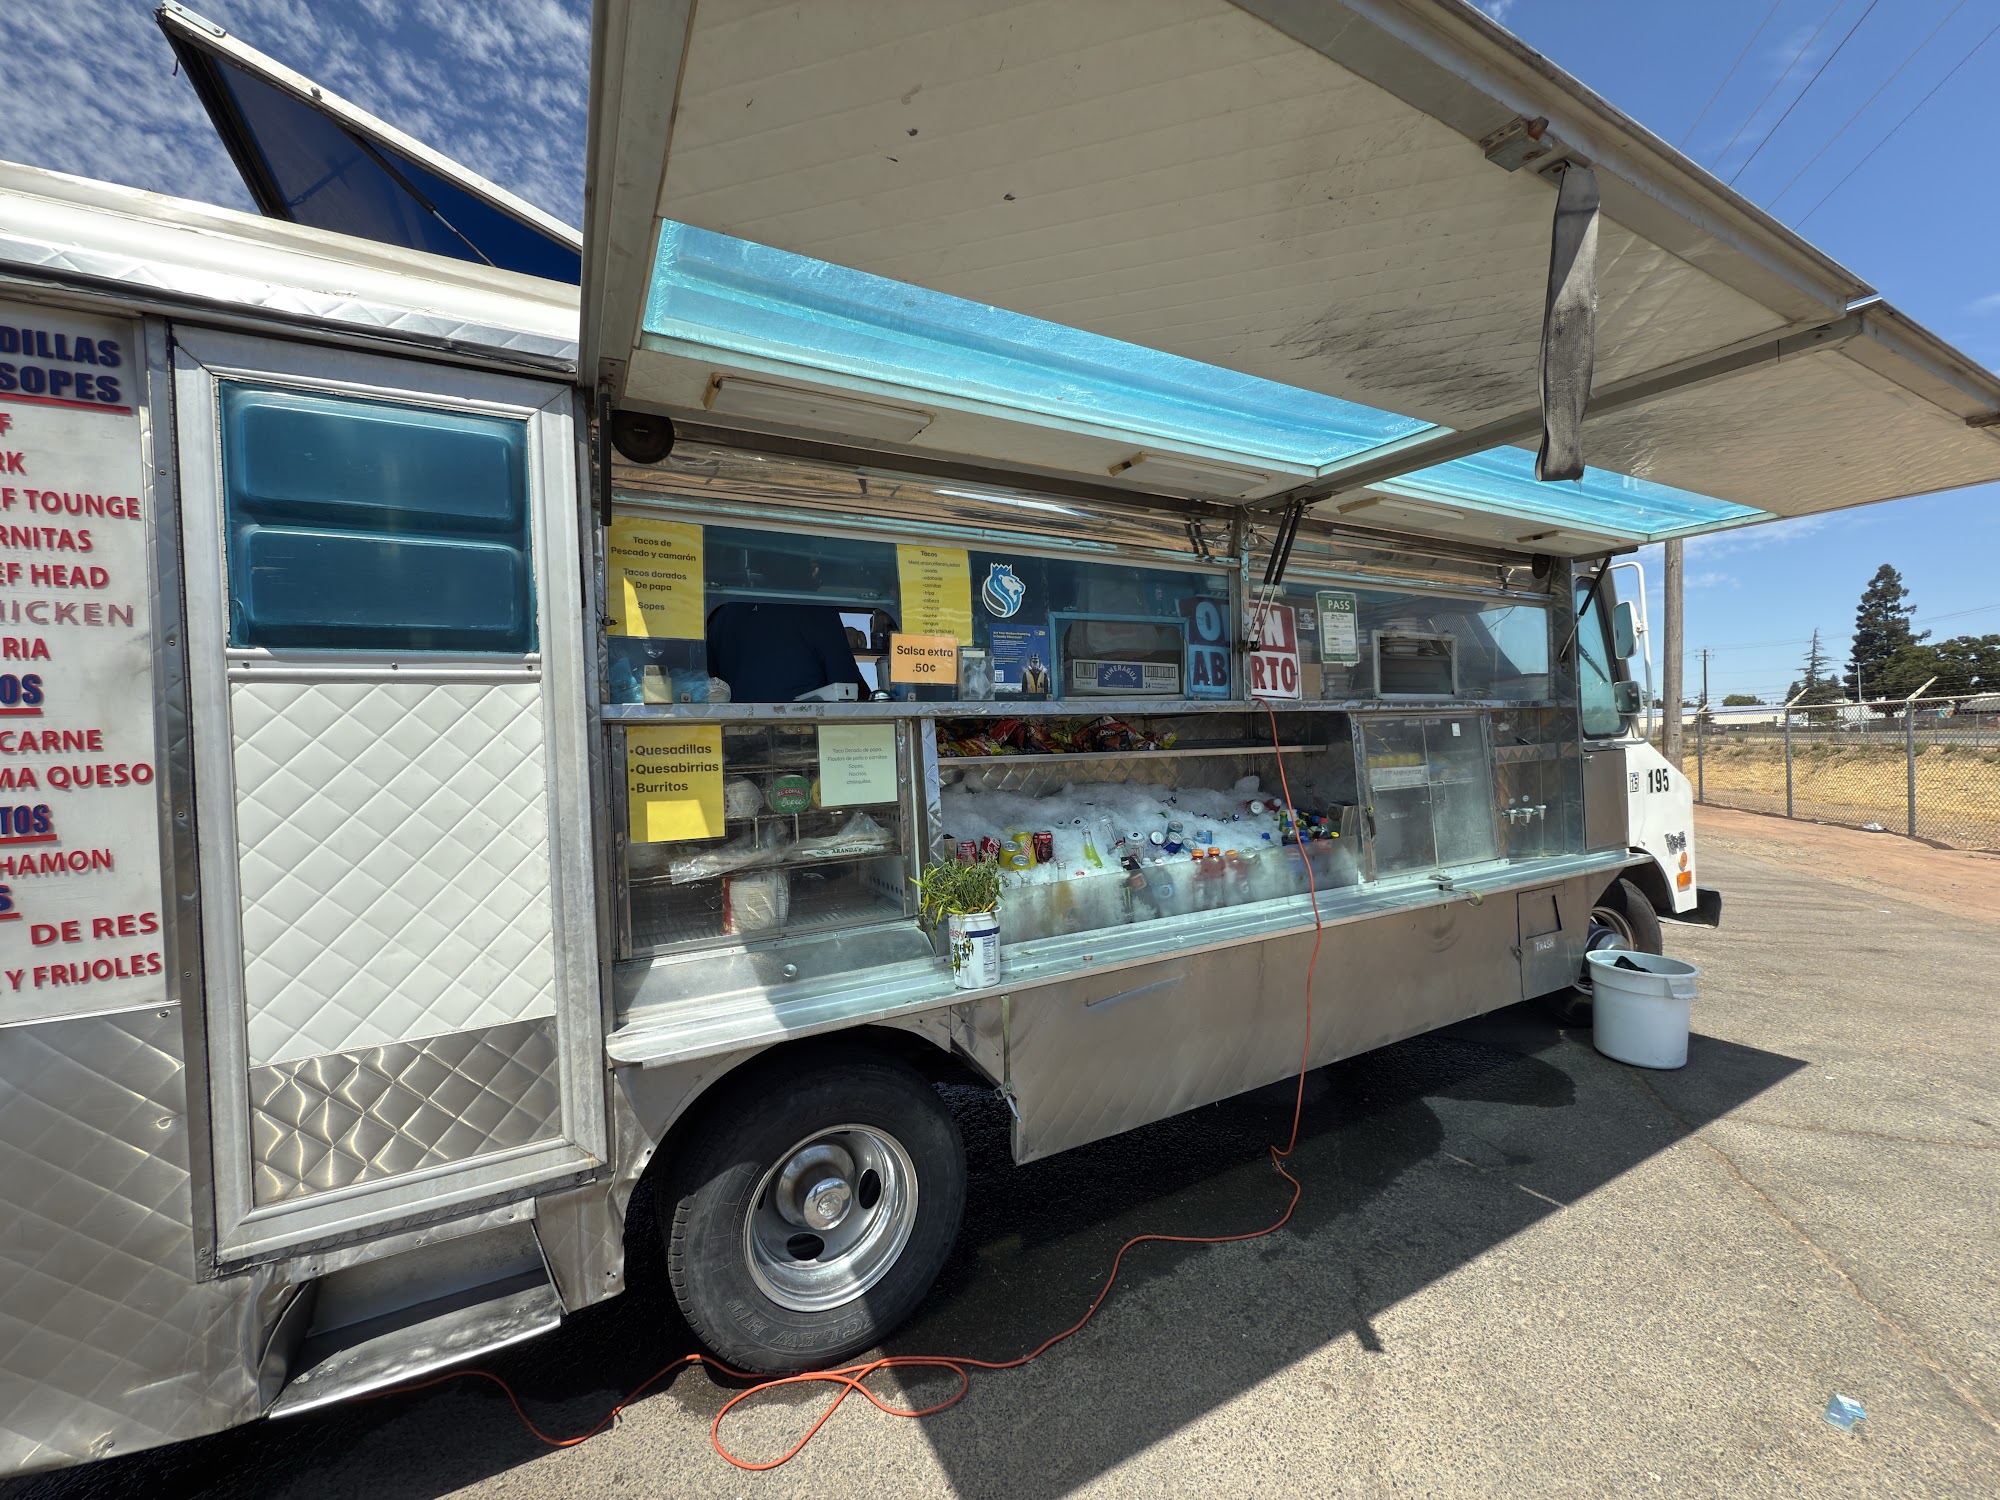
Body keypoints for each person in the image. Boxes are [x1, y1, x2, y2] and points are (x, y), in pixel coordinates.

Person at [704, 551, 870, 702]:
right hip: (801, 723)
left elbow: (707, 683)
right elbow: (850, 689)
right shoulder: (816, 611)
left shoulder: (725, 614)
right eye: (808, 563)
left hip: (734, 724)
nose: (815, 571)